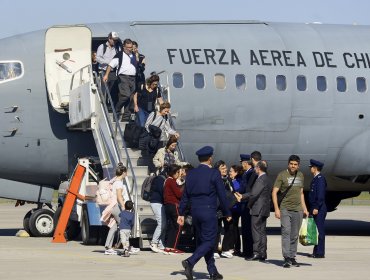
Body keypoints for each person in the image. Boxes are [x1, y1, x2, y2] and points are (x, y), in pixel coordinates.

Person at [177, 146, 232, 280]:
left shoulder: (191, 174)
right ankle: (190, 262)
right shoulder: (214, 173)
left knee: (203, 241)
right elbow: (222, 195)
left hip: (195, 212)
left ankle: (213, 272)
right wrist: (227, 212)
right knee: (210, 241)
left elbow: (185, 196)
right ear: (210, 158)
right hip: (208, 211)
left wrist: (181, 213)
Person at [272, 155, 309, 268]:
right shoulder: (282, 175)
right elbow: (274, 192)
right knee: (286, 232)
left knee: (294, 235)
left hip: (297, 209)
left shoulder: (301, 175)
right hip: (285, 209)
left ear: (298, 165)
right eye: (291, 164)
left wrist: (305, 208)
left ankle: (292, 257)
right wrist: (276, 209)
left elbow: (301, 193)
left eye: (295, 164)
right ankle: (286, 257)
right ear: (288, 164)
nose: (293, 166)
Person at [235, 161, 272, 261]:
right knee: (262, 231)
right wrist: (243, 196)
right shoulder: (267, 178)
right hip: (265, 209)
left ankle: (256, 253)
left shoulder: (260, 179)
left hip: (258, 209)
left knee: (255, 231)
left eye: (255, 167)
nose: (254, 169)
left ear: (259, 168)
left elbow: (254, 194)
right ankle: (263, 253)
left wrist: (245, 201)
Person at [103, 38, 136, 117]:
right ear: (124, 47)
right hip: (123, 77)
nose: (129, 49)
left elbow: (136, 64)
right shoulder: (119, 55)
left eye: (131, 47)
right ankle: (117, 109)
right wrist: (106, 75)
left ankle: (126, 115)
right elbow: (110, 65)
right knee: (126, 95)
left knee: (130, 97)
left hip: (133, 77)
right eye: (127, 47)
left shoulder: (133, 55)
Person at [104, 163, 130, 255]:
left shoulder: (115, 180)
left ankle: (108, 247)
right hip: (116, 206)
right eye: (126, 172)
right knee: (124, 227)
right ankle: (127, 247)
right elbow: (119, 197)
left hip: (111, 206)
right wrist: (123, 208)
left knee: (114, 227)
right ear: (123, 173)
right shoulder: (119, 183)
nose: (127, 174)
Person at [308, 159, 327, 258]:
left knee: (319, 231)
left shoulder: (320, 179)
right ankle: (316, 251)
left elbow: (320, 196)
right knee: (316, 231)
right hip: (315, 207)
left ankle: (320, 252)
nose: (310, 169)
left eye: (311, 167)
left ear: (314, 168)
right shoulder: (316, 178)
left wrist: (316, 207)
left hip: (319, 208)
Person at [163, 164, 184, 254]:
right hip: (174, 205)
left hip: (168, 205)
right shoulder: (171, 181)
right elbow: (179, 194)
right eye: (178, 172)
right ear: (174, 173)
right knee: (178, 226)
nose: (179, 174)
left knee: (172, 226)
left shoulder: (167, 181)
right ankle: (173, 247)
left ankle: (168, 246)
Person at [96, 32, 121, 104]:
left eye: (116, 40)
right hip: (104, 71)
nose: (115, 41)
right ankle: (103, 105)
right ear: (109, 39)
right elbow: (97, 58)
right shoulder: (102, 46)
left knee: (113, 90)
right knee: (104, 89)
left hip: (113, 72)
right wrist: (108, 62)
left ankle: (111, 105)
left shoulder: (117, 48)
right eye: (113, 40)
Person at [238, 153, 254, 258]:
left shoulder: (250, 173)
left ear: (245, 163)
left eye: (242, 163)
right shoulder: (246, 173)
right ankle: (246, 250)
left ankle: (249, 251)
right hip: (244, 203)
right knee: (245, 229)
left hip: (247, 203)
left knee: (248, 229)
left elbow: (247, 189)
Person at [149, 172, 167, 254]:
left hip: (158, 202)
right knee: (161, 224)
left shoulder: (161, 179)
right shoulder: (160, 179)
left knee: (164, 224)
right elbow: (162, 191)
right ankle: (154, 242)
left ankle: (161, 244)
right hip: (156, 202)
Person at [228, 164, 243, 256]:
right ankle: (233, 247)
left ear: (236, 173)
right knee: (232, 228)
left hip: (235, 208)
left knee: (234, 228)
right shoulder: (233, 181)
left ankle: (235, 248)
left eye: (231, 171)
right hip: (232, 208)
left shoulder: (236, 183)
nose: (229, 173)